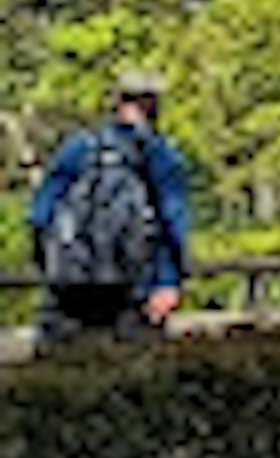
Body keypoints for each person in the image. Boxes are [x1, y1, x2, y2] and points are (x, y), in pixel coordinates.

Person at [30, 76, 192, 341]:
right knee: (131, 375)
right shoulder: (160, 154)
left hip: (71, 290)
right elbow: (173, 223)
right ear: (154, 106)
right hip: (134, 289)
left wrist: (52, 267)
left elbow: (40, 216)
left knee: (63, 370)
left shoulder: (78, 148)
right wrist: (167, 282)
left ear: (117, 102)